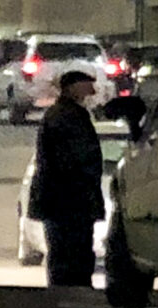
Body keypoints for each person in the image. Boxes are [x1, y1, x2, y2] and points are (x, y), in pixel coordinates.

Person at [31, 69, 106, 289]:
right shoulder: (66, 116)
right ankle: (69, 291)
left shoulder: (67, 114)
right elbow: (74, 157)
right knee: (69, 249)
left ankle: (68, 288)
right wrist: (84, 182)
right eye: (86, 84)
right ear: (73, 87)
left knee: (70, 248)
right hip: (67, 200)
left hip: (65, 199)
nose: (92, 90)